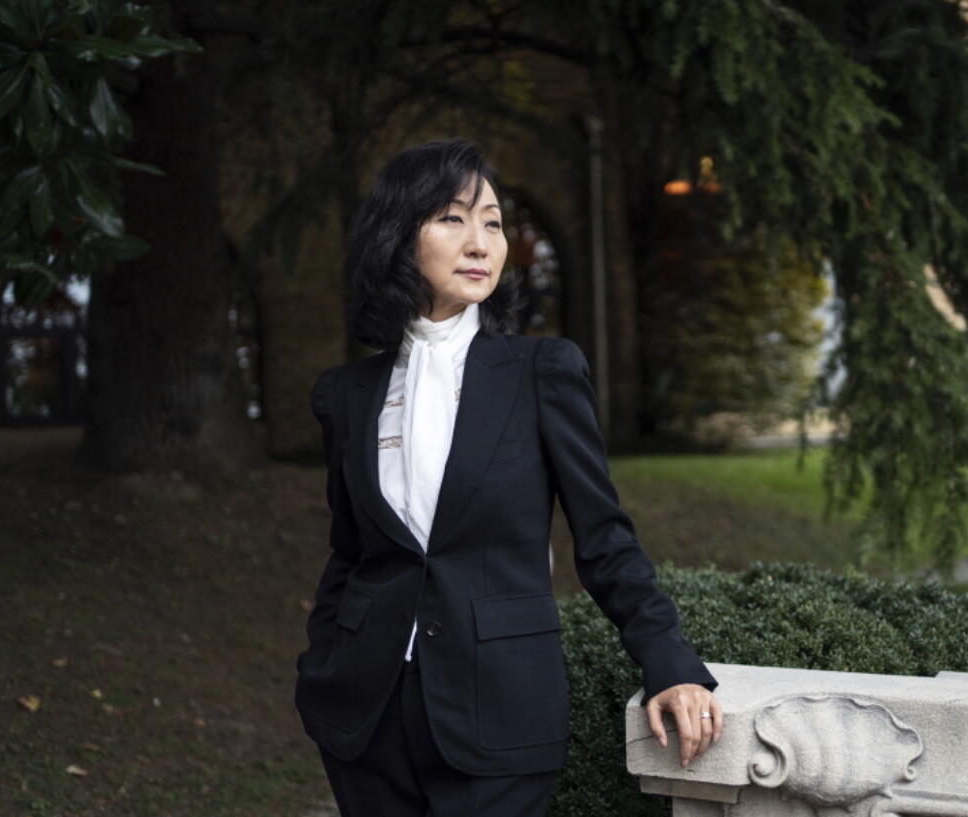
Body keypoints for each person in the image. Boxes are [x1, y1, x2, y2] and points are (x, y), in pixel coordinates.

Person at [294, 137, 721, 817]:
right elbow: (352, 550)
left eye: (491, 222)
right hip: (364, 717)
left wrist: (669, 661)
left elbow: (604, 537)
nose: (480, 242)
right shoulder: (346, 395)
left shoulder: (542, 371)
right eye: (452, 218)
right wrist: (320, 667)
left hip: (499, 715)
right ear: (400, 238)